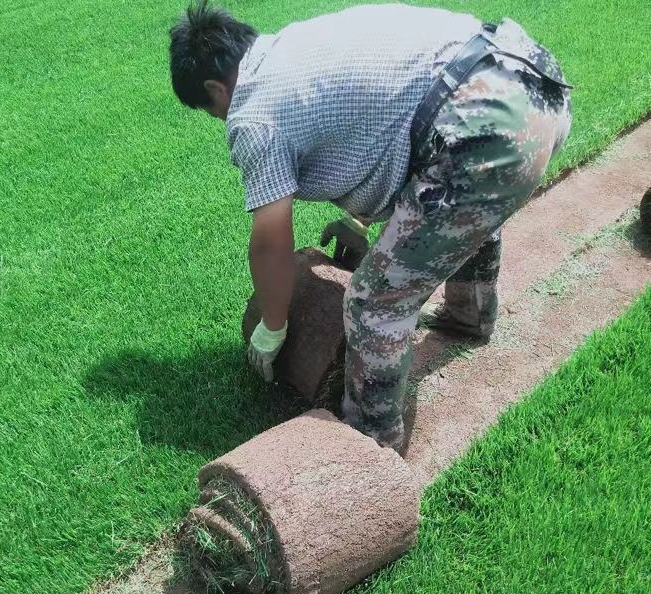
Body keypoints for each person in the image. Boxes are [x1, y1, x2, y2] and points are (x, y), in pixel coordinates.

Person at [168, 1, 572, 453]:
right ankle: (469, 316)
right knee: (461, 210)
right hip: (534, 83)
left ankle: (371, 445)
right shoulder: (291, 45)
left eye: (213, 111)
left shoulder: (252, 113)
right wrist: (358, 222)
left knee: (374, 302)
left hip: (487, 132)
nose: (221, 119)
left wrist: (273, 325)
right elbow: (382, 119)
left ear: (215, 88)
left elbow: (271, 243)